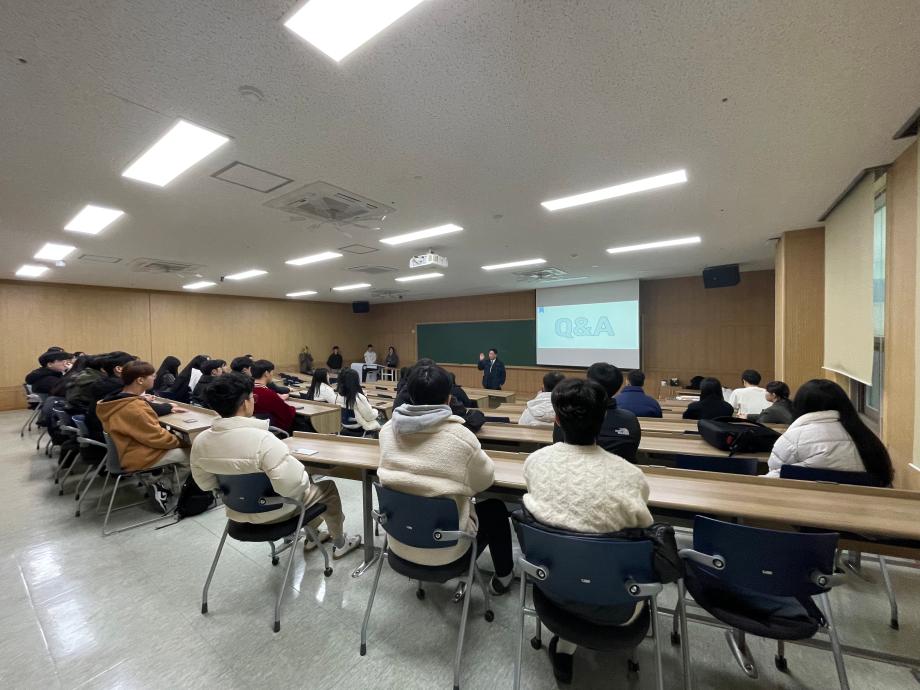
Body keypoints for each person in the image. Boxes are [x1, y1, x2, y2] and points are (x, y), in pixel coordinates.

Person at [524, 377, 653, 683]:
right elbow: (642, 532)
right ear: (603, 419)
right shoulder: (631, 476)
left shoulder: (535, 463)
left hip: (551, 587)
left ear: (556, 420)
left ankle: (565, 647)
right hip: (617, 603)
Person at [377, 364, 514, 594]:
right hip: (446, 549)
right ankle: (504, 577)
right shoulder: (461, 438)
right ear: (449, 398)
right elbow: (485, 481)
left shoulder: (386, 432)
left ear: (410, 396)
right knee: (495, 509)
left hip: (399, 542)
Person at [191, 372, 361, 557]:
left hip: (236, 512)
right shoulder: (263, 440)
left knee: (303, 482)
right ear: (245, 403)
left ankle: (313, 536)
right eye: (253, 397)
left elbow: (206, 484)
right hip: (275, 512)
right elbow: (293, 486)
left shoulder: (200, 441)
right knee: (326, 487)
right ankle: (340, 543)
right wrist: (301, 471)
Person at [95, 361, 190, 511]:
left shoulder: (115, 400)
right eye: (152, 376)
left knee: (176, 444)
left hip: (129, 449)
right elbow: (157, 438)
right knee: (191, 453)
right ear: (140, 380)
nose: (155, 378)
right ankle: (169, 490)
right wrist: (183, 442)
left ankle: (158, 481)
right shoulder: (134, 407)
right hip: (140, 454)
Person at [766, 379, 894, 483]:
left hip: (804, 502)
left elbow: (775, 474)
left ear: (800, 405)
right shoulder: (866, 437)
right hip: (861, 504)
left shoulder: (792, 438)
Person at [552, 363, 641, 462]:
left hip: (570, 467)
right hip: (619, 470)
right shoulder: (629, 419)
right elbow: (631, 451)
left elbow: (560, 447)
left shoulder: (569, 414)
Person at [251, 359, 304, 434]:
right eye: (272, 372)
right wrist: (293, 408)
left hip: (254, 428)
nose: (272, 374)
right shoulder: (268, 393)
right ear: (266, 373)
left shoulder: (247, 390)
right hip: (271, 429)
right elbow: (286, 413)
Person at [335, 368, 380, 435]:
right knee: (382, 421)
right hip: (359, 427)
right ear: (355, 381)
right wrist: (376, 411)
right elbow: (369, 417)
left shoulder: (338, 396)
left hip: (345, 425)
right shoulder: (358, 398)